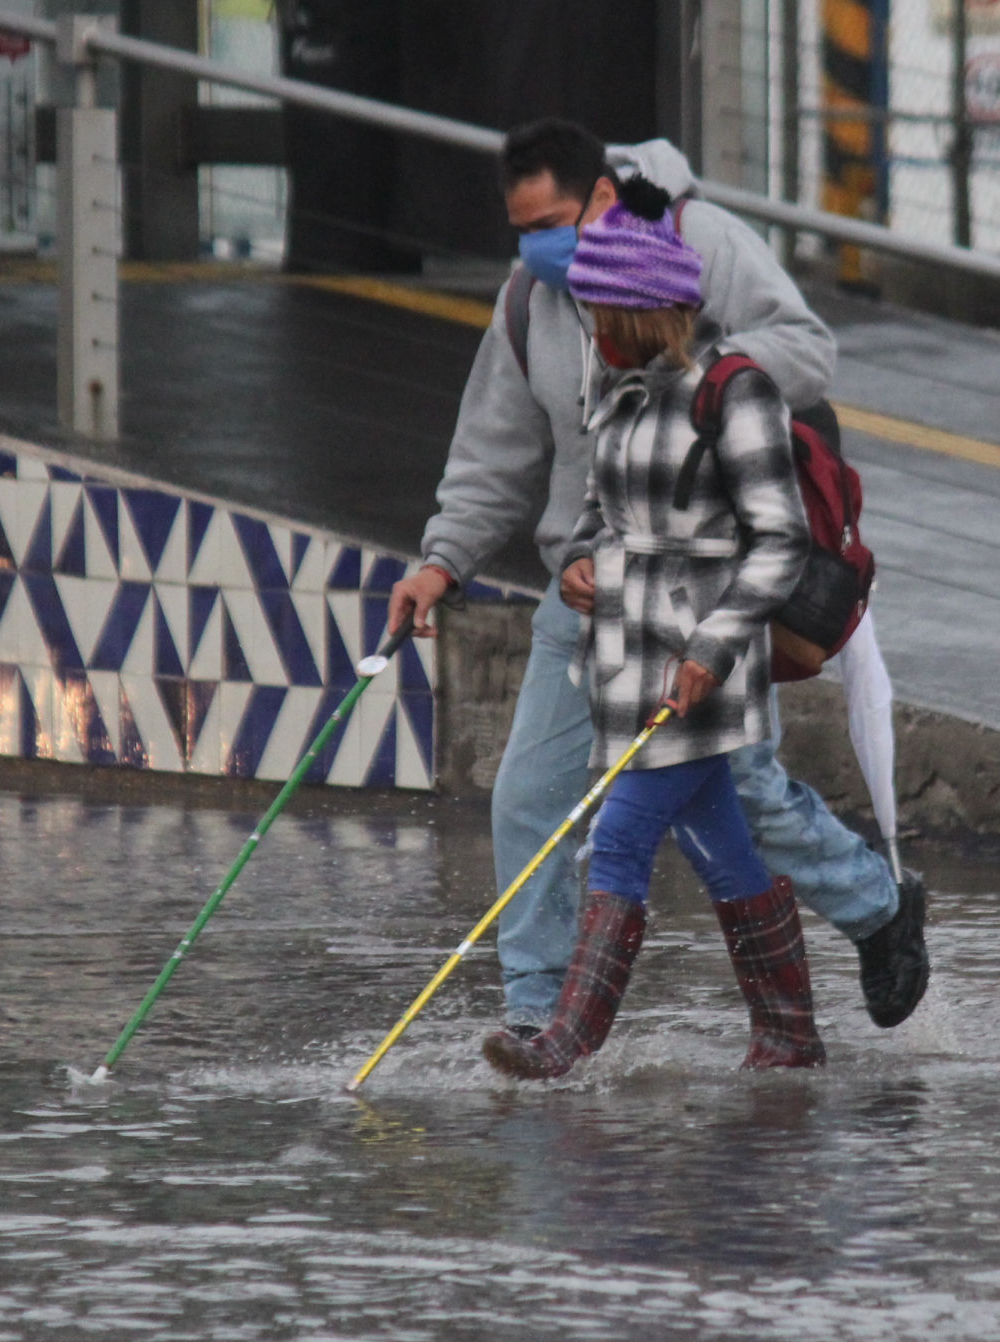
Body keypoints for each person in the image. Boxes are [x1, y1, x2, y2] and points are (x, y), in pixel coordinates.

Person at [384, 120, 930, 1036]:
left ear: (601, 196)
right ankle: (541, 1014)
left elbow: (807, 348)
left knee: (735, 799)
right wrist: (444, 561)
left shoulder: (698, 247)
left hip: (703, 597)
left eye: (552, 223)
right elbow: (495, 454)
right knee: (532, 797)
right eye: (521, 232)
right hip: (590, 592)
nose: (538, 250)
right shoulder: (531, 302)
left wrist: (701, 376)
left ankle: (873, 912)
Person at [486, 203, 821, 1078]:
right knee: (725, 849)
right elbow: (601, 514)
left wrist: (712, 648)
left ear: (641, 311)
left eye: (603, 314)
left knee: (621, 836)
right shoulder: (617, 390)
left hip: (702, 665)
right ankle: (788, 1032)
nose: (592, 330)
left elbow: (780, 538)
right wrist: (579, 567)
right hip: (629, 664)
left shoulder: (736, 390)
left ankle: (566, 1040)